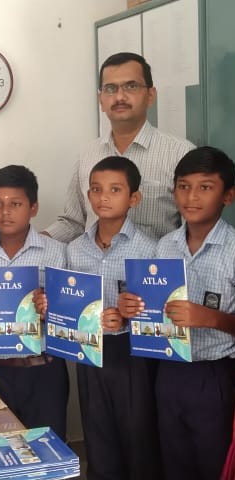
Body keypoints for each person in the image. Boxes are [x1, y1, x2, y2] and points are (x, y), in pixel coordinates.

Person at [119, 146, 235, 480]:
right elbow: (150, 306)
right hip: (168, 370)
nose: (191, 197)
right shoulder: (165, 246)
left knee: (214, 462)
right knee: (173, 460)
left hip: (214, 374)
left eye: (205, 187)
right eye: (183, 186)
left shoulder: (232, 250)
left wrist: (211, 318)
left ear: (227, 196)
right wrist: (131, 308)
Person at [48, 156, 162, 480]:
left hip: (133, 354)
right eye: (96, 189)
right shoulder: (75, 250)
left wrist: (127, 319)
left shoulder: (150, 250)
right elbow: (66, 305)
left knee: (138, 434)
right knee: (97, 432)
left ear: (134, 198)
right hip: (89, 352)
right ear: (88, 195)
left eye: (115, 189)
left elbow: (160, 315)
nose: (104, 197)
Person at [0, 165, 69, 439]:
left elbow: (72, 314)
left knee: (47, 447)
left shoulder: (58, 254)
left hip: (44, 370)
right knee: (0, 449)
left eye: (15, 204)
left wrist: (51, 310)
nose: (5, 212)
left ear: (33, 208)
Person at [44, 52, 195, 243]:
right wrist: (34, 242)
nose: (120, 97)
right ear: (101, 100)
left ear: (150, 95)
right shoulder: (88, 155)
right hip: (94, 260)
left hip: (152, 262)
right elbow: (74, 223)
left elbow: (193, 229)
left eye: (131, 86)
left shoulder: (181, 154)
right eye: (110, 88)